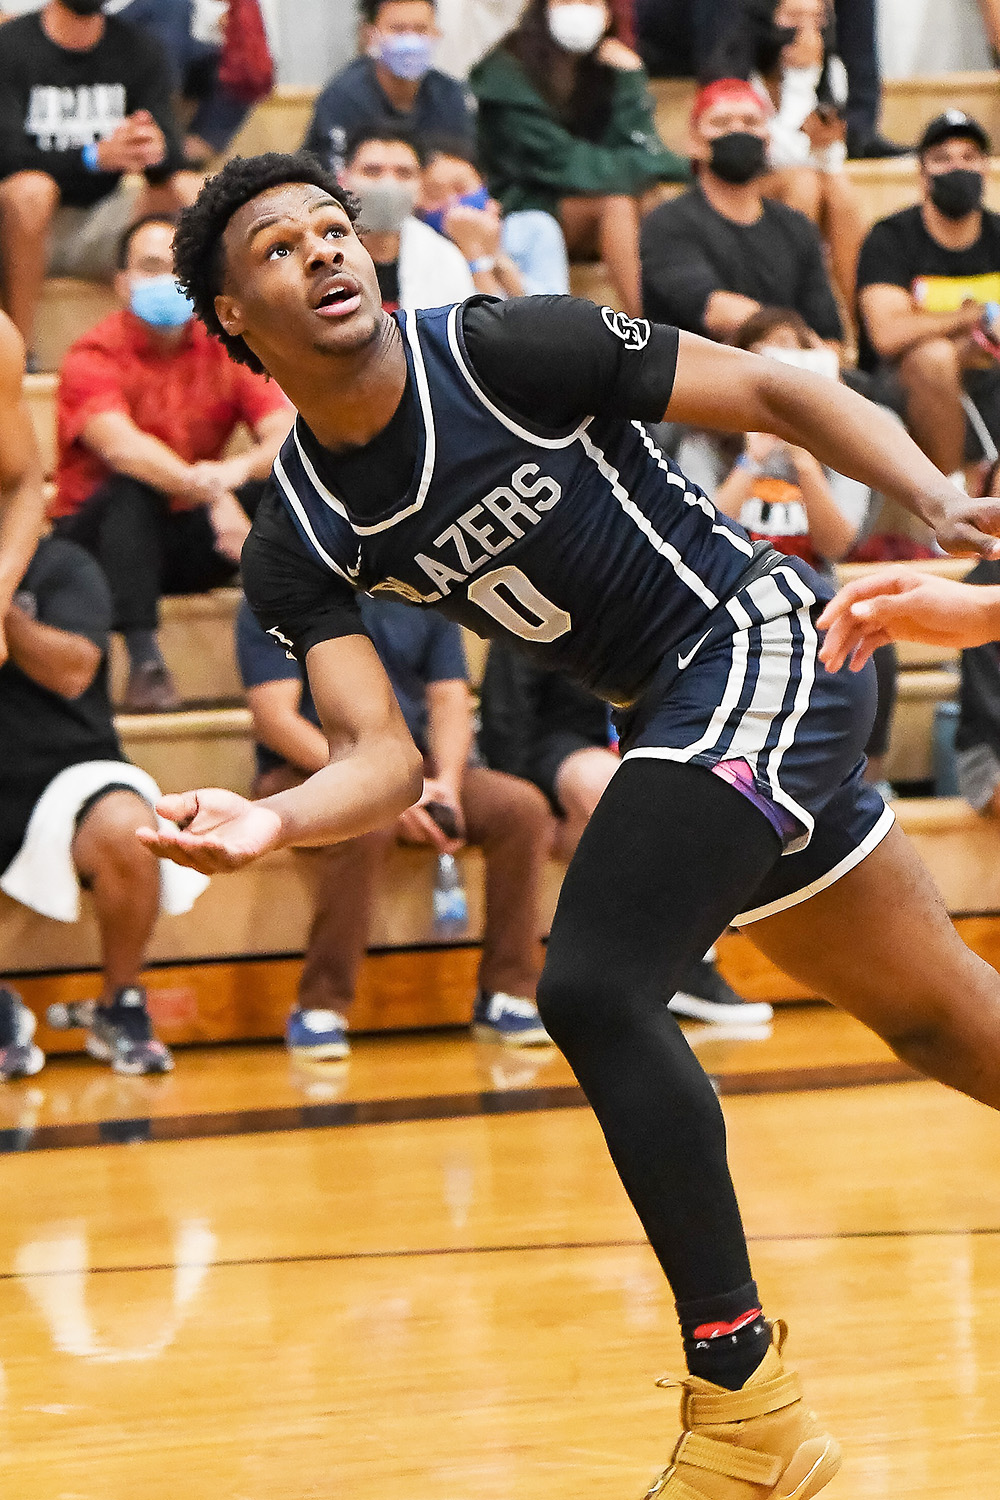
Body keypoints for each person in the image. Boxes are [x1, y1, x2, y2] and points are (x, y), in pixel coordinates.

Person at [151, 150, 1000, 1499]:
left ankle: (748, 1411)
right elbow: (375, 757)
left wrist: (935, 492)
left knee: (597, 982)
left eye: (334, 228)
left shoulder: (499, 346)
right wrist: (267, 825)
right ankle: (752, 1422)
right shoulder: (298, 532)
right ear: (232, 316)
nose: (324, 251)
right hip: (673, 716)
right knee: (943, 1019)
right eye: (277, 247)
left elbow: (778, 387)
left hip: (758, 641)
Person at [237, 595, 553, 1055]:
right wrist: (376, 785)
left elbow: (450, 698)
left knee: (521, 808)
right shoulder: (278, 593)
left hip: (415, 772)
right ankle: (319, 1006)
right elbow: (276, 720)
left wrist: (444, 781)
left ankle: (507, 991)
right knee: (364, 822)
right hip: (308, 774)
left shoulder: (421, 593)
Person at [49, 213, 291, 711]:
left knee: (292, 479)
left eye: (181, 269)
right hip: (95, 544)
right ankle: (144, 663)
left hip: (185, 533)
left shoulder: (226, 349)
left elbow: (284, 431)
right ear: (122, 283)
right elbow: (123, 449)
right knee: (134, 486)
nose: (170, 282)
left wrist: (234, 474)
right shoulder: (90, 356)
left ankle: (301, 624)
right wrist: (213, 491)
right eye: (153, 267)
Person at [0, 531, 207, 1081]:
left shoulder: (63, 566)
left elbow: (72, 672)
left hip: (68, 769)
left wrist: (5, 612)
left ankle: (120, 1003)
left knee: (128, 826)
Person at [479, 642, 775, 1025]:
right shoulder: (537, 602)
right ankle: (682, 965)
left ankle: (682, 963)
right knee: (613, 782)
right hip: (556, 744)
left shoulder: (654, 603)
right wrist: (529, 805)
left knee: (699, 793)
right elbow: (506, 715)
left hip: (642, 743)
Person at [470, 0, 688, 317]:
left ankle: (685, 312)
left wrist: (630, 80)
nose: (579, 9)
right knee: (617, 203)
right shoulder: (505, 71)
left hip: (584, 200)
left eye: (590, 1)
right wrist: (675, 166)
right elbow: (564, 164)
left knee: (652, 198)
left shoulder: (606, 65)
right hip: (523, 206)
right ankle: (649, 325)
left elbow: (640, 147)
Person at [0, 0, 193, 352]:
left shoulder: (139, 49)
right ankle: (18, 352)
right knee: (31, 190)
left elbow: (171, 161)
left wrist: (152, 148)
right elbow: (7, 156)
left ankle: (189, 353)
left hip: (103, 221)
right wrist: (92, 157)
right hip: (19, 228)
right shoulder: (10, 46)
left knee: (189, 190)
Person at [856, 110, 1000, 489]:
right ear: (922, 175)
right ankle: (948, 499)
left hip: (990, 372)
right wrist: (975, 318)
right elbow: (887, 334)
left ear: (986, 168)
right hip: (902, 382)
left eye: (969, 158)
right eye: (943, 159)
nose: (958, 168)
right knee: (935, 358)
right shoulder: (890, 238)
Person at [639, 79, 843, 346]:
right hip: (702, 377)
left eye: (750, 122)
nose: (738, 131)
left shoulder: (797, 226)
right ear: (695, 142)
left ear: (768, 140)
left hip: (793, 370)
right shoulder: (667, 223)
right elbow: (713, 310)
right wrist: (791, 339)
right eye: (721, 123)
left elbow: (828, 332)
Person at [701, 0, 866, 307]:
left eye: (817, 18)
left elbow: (830, 159)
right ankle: (787, 309)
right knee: (803, 182)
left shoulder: (830, 70)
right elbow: (765, 152)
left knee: (839, 191)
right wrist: (802, 80)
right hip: (736, 188)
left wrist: (808, 77)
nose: (807, 30)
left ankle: (861, 327)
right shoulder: (734, 70)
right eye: (793, 17)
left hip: (798, 186)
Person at [339, 125, 506, 309]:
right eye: (373, 171)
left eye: (403, 173)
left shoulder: (444, 258)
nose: (388, 185)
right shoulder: (322, 247)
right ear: (343, 178)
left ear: (420, 186)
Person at [302, 0, 475, 177]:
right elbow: (329, 177)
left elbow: (464, 171)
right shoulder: (342, 98)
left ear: (436, 33)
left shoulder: (449, 94)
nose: (411, 41)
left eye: (420, 30)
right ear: (370, 33)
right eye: (398, 30)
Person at [419, 134, 569, 297]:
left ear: (483, 184)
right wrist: (473, 255)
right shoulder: (423, 247)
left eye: (460, 188)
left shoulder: (534, 227)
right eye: (434, 194)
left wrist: (495, 255)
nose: (452, 204)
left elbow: (550, 311)